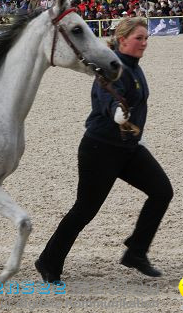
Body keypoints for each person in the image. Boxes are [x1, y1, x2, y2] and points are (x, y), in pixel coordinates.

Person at [35, 17, 172, 283]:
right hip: (100, 149)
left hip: (128, 148)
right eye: (139, 38)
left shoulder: (134, 67)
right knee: (85, 210)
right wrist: (115, 110)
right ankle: (48, 261)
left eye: (146, 38)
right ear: (122, 40)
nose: (145, 43)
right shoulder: (112, 68)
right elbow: (106, 94)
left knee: (161, 191)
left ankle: (136, 252)